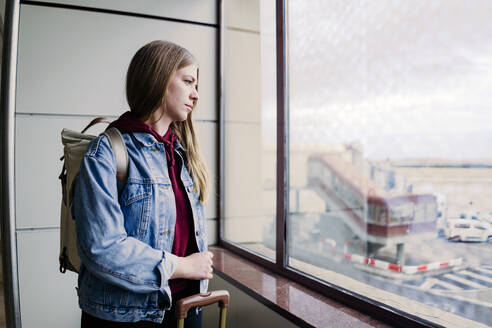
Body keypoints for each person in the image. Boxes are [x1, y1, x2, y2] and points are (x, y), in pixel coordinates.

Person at [72, 40, 213, 327]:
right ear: (159, 80)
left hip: (185, 310)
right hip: (127, 317)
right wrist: (183, 266)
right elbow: (102, 247)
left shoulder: (181, 154)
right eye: (188, 82)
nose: (196, 95)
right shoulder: (108, 151)